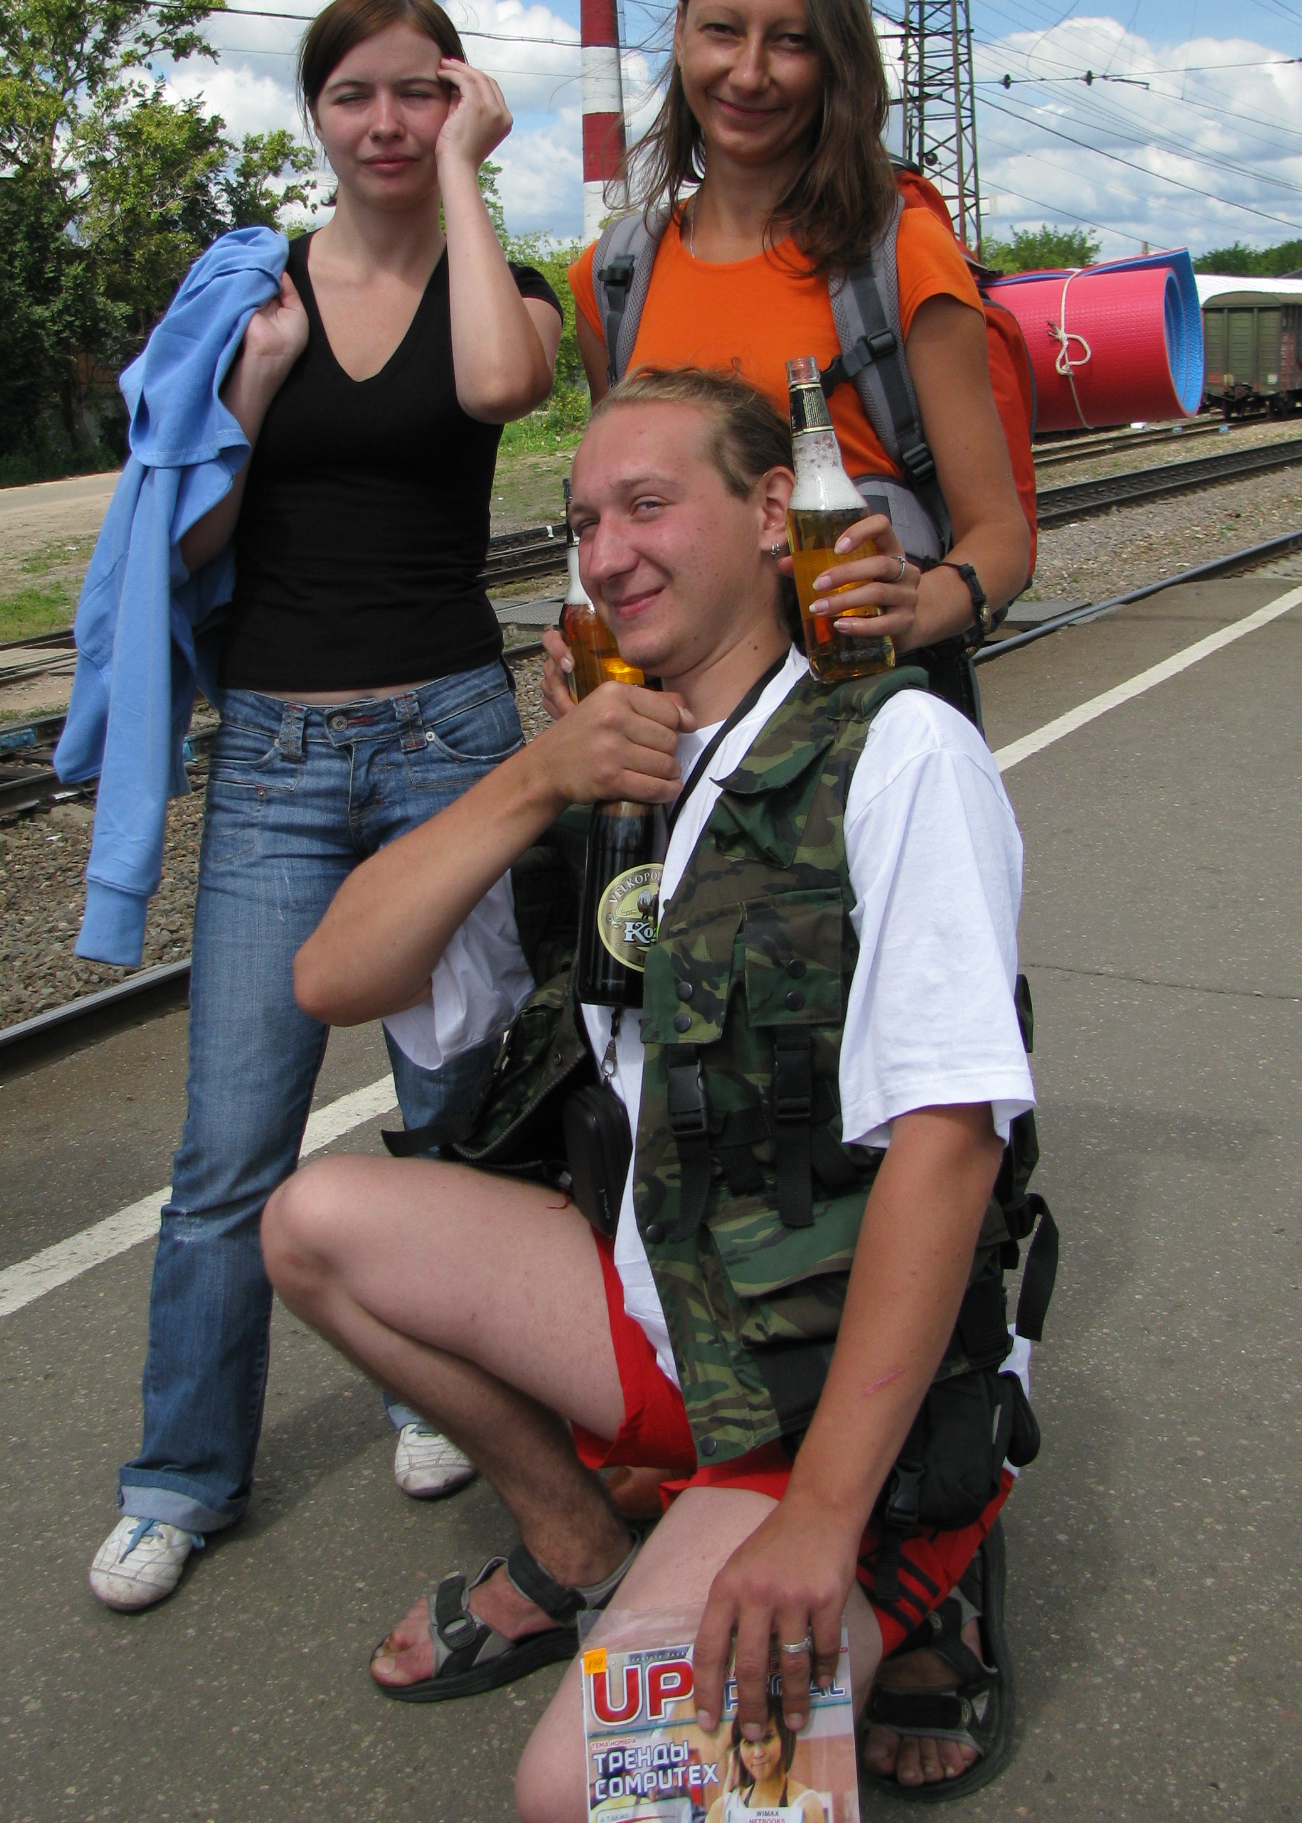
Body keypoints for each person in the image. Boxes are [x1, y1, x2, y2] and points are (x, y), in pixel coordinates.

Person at [262, 367, 1037, 1806]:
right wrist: (530, 782)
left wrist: (817, 1518)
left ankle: (915, 1551)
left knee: (585, 1791)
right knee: (311, 1224)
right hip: (668, 1303)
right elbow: (334, 976)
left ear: (770, 514)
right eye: (583, 523)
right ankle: (582, 1546)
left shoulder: (898, 748)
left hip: (813, 1382)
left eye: (646, 506)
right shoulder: (603, 779)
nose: (607, 553)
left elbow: (951, 1146)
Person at [87, 0, 564, 1612]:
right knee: (232, 1144)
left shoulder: (500, 280)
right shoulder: (251, 298)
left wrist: (469, 181)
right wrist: (253, 389)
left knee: (459, 1115)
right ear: (315, 112)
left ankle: (440, 1394)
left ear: (460, 102)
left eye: (418, 92)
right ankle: (179, 1476)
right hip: (278, 763)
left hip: (452, 746)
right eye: (354, 94)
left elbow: (501, 389)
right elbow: (184, 543)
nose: (385, 122)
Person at [546, 0, 1029, 729]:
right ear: (680, 38)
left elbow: (1001, 538)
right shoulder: (614, 278)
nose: (750, 73)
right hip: (688, 739)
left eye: (792, 41)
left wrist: (922, 604)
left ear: (837, 60)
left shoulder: (901, 254)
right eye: (722, 31)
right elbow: (621, 522)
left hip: (859, 721)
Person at [708, 1710, 826, 1823]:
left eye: (767, 1739)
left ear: (785, 1739)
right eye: (749, 1743)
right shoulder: (724, 1808)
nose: (758, 1753)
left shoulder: (806, 1805)